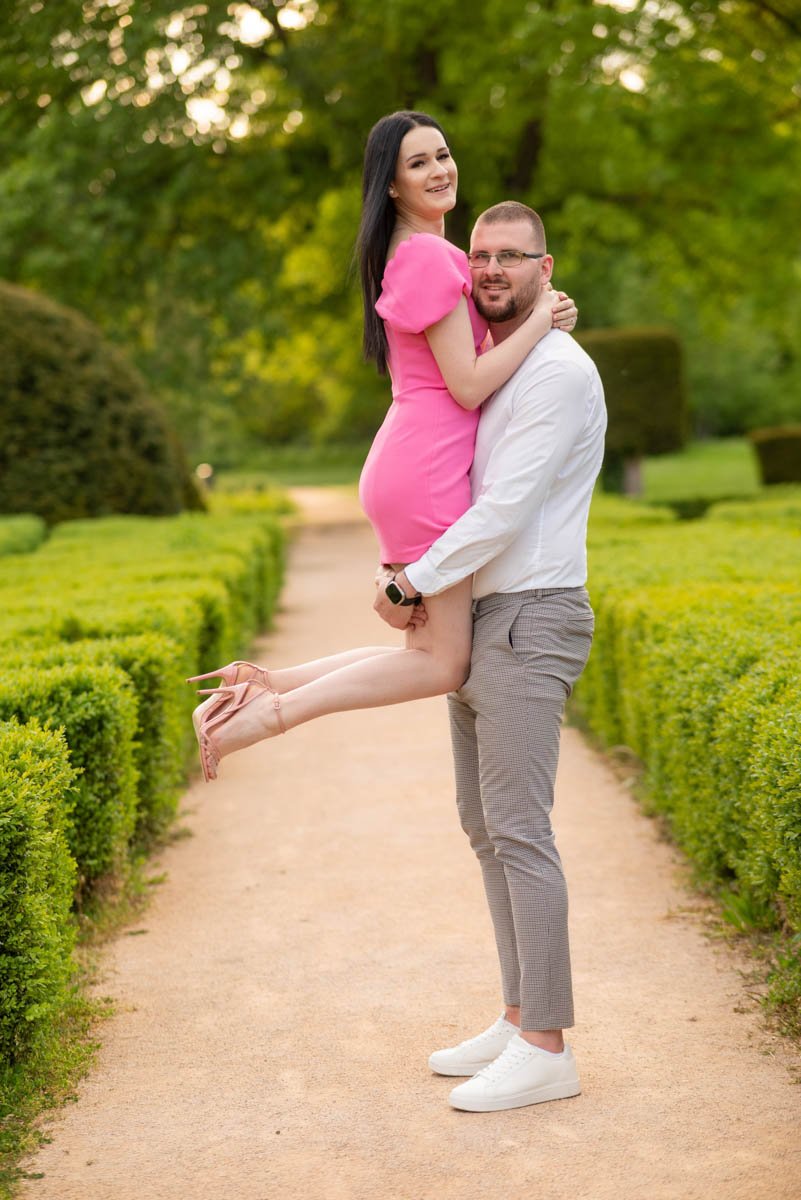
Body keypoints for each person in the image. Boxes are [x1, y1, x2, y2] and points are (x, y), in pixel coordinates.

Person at [190, 111, 577, 781]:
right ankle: (266, 716)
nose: (440, 170)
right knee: (441, 663)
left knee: (422, 654)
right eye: (418, 163)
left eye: (442, 154)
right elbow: (467, 385)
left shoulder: (409, 252)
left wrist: (538, 313)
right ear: (392, 185)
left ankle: (263, 685)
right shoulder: (426, 255)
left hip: (410, 461)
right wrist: (541, 318)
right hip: (426, 470)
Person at [373, 200, 606, 1113]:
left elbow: (503, 509)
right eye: (479, 255)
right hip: (479, 615)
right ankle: (516, 1019)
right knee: (483, 825)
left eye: (512, 256)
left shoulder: (557, 373)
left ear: (546, 268)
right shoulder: (493, 358)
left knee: (519, 830)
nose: (491, 269)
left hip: (530, 615)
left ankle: (547, 1047)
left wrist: (412, 582)